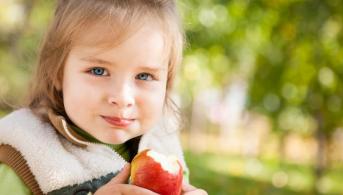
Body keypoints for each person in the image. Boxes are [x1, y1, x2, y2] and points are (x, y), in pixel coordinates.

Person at [0, 0, 207, 194]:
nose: (122, 97)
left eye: (144, 76)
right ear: (58, 74)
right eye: (98, 71)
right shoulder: (24, 156)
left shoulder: (163, 151)